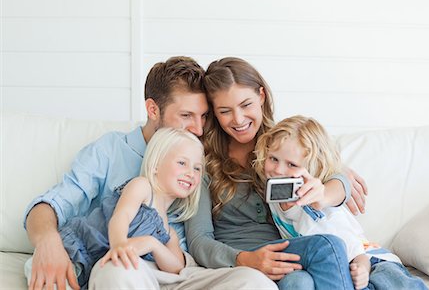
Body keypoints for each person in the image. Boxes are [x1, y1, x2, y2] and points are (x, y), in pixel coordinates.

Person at [24, 56, 277, 290]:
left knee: (254, 282)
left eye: (204, 116)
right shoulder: (111, 150)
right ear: (153, 110)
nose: (199, 129)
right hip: (128, 265)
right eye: (186, 115)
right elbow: (50, 205)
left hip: (182, 270)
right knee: (118, 271)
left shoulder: (203, 154)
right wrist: (48, 242)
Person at [185, 57, 367, 290]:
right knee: (326, 247)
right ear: (214, 113)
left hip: (289, 254)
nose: (238, 119)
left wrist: (328, 188)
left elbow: (336, 176)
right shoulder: (203, 161)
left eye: (246, 105)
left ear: (261, 96)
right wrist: (245, 259)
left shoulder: (281, 145)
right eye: (225, 111)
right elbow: (199, 240)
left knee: (299, 282)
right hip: (241, 259)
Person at [253, 115, 428, 290]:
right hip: (333, 267)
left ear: (313, 168)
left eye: (292, 164)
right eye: (273, 159)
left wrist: (362, 269)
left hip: (369, 259)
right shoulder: (277, 196)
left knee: (392, 282)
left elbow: (356, 251)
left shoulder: (318, 211)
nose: (278, 170)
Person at [58, 127, 203, 289]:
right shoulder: (142, 187)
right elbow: (121, 216)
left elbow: (177, 268)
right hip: (77, 250)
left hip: (101, 272)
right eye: (182, 163)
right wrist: (119, 244)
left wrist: (153, 244)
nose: (191, 173)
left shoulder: (168, 232)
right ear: (156, 165)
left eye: (197, 168)